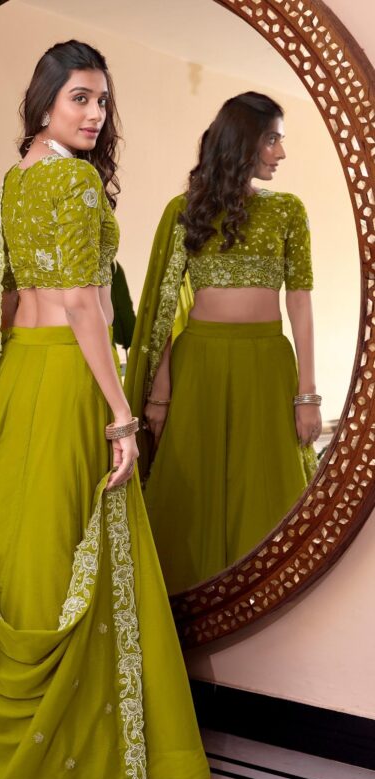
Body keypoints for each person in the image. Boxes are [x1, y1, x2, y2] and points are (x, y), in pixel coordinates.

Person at [0, 40, 209, 779]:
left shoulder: (18, 177)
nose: (95, 114)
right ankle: (66, 751)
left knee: (22, 543)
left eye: (102, 100)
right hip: (69, 377)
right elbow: (80, 303)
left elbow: (10, 300)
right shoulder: (73, 182)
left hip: (19, 379)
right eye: (79, 98)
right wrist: (121, 413)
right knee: (74, 543)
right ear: (43, 103)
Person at [125, 92, 321, 595]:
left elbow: (300, 302)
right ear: (243, 141)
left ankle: (263, 601)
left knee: (269, 487)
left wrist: (307, 393)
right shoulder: (184, 211)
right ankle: (187, 607)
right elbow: (163, 308)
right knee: (191, 488)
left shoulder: (288, 211)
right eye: (272, 139)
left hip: (267, 364)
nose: (280, 152)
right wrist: (160, 391)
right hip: (199, 363)